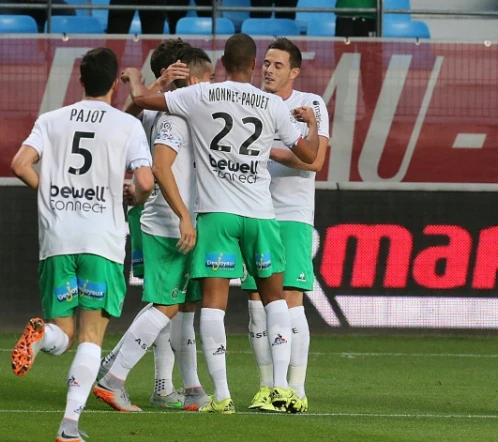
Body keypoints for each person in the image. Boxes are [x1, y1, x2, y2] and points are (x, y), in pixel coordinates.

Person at [123, 32, 320, 414]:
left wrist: (138, 80)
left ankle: (223, 395)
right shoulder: (271, 103)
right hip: (262, 213)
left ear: (223, 63)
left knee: (212, 304)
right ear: (253, 65)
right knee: (274, 297)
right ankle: (280, 387)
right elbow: (311, 154)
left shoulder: (203, 94)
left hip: (217, 214)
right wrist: (310, 124)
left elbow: (144, 101)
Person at [10, 47, 153, 442]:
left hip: (57, 236)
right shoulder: (126, 125)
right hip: (101, 240)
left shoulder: (51, 119)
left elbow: (20, 163)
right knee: (91, 336)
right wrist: (134, 199)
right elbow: (144, 182)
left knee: (64, 332)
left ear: (80, 80)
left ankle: (44, 337)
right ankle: (69, 426)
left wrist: (50, 195)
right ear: (113, 84)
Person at [94, 47, 215, 413]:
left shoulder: (183, 115)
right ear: (193, 80)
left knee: (181, 305)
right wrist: (182, 215)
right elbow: (161, 169)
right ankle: (114, 376)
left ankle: (189, 387)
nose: (213, 86)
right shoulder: (172, 119)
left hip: (183, 219)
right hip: (167, 221)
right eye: (208, 78)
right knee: (167, 303)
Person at [243, 38, 329, 413]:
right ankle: (267, 387)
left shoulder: (310, 104)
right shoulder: (249, 101)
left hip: (292, 213)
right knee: (255, 303)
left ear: (294, 71)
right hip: (256, 210)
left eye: (278, 65)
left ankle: (296, 388)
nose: (268, 70)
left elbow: (314, 162)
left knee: (290, 298)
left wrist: (265, 150)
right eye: (266, 63)